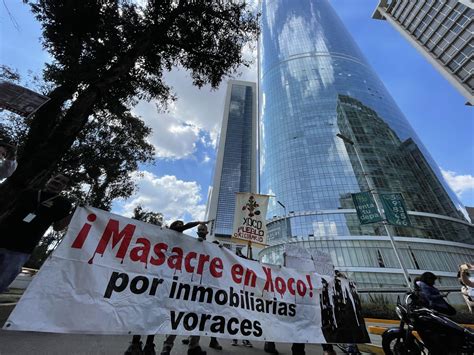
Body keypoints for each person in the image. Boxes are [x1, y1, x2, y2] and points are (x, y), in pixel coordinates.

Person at [125, 220, 209, 355]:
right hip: (154, 280)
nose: (180, 226)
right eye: (178, 224)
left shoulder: (181, 243)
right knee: (145, 313)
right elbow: (183, 227)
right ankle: (136, 344)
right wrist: (197, 222)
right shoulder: (167, 236)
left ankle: (149, 345)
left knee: (154, 315)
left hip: (165, 284)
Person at [0, 174, 72, 293]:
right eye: (56, 179)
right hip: (2, 236)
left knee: (2, 280)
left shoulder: (63, 204)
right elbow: (8, 211)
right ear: (49, 179)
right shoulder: (28, 193)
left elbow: (58, 227)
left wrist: (74, 214)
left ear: (65, 187)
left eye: (63, 182)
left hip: (21, 249)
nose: (58, 182)